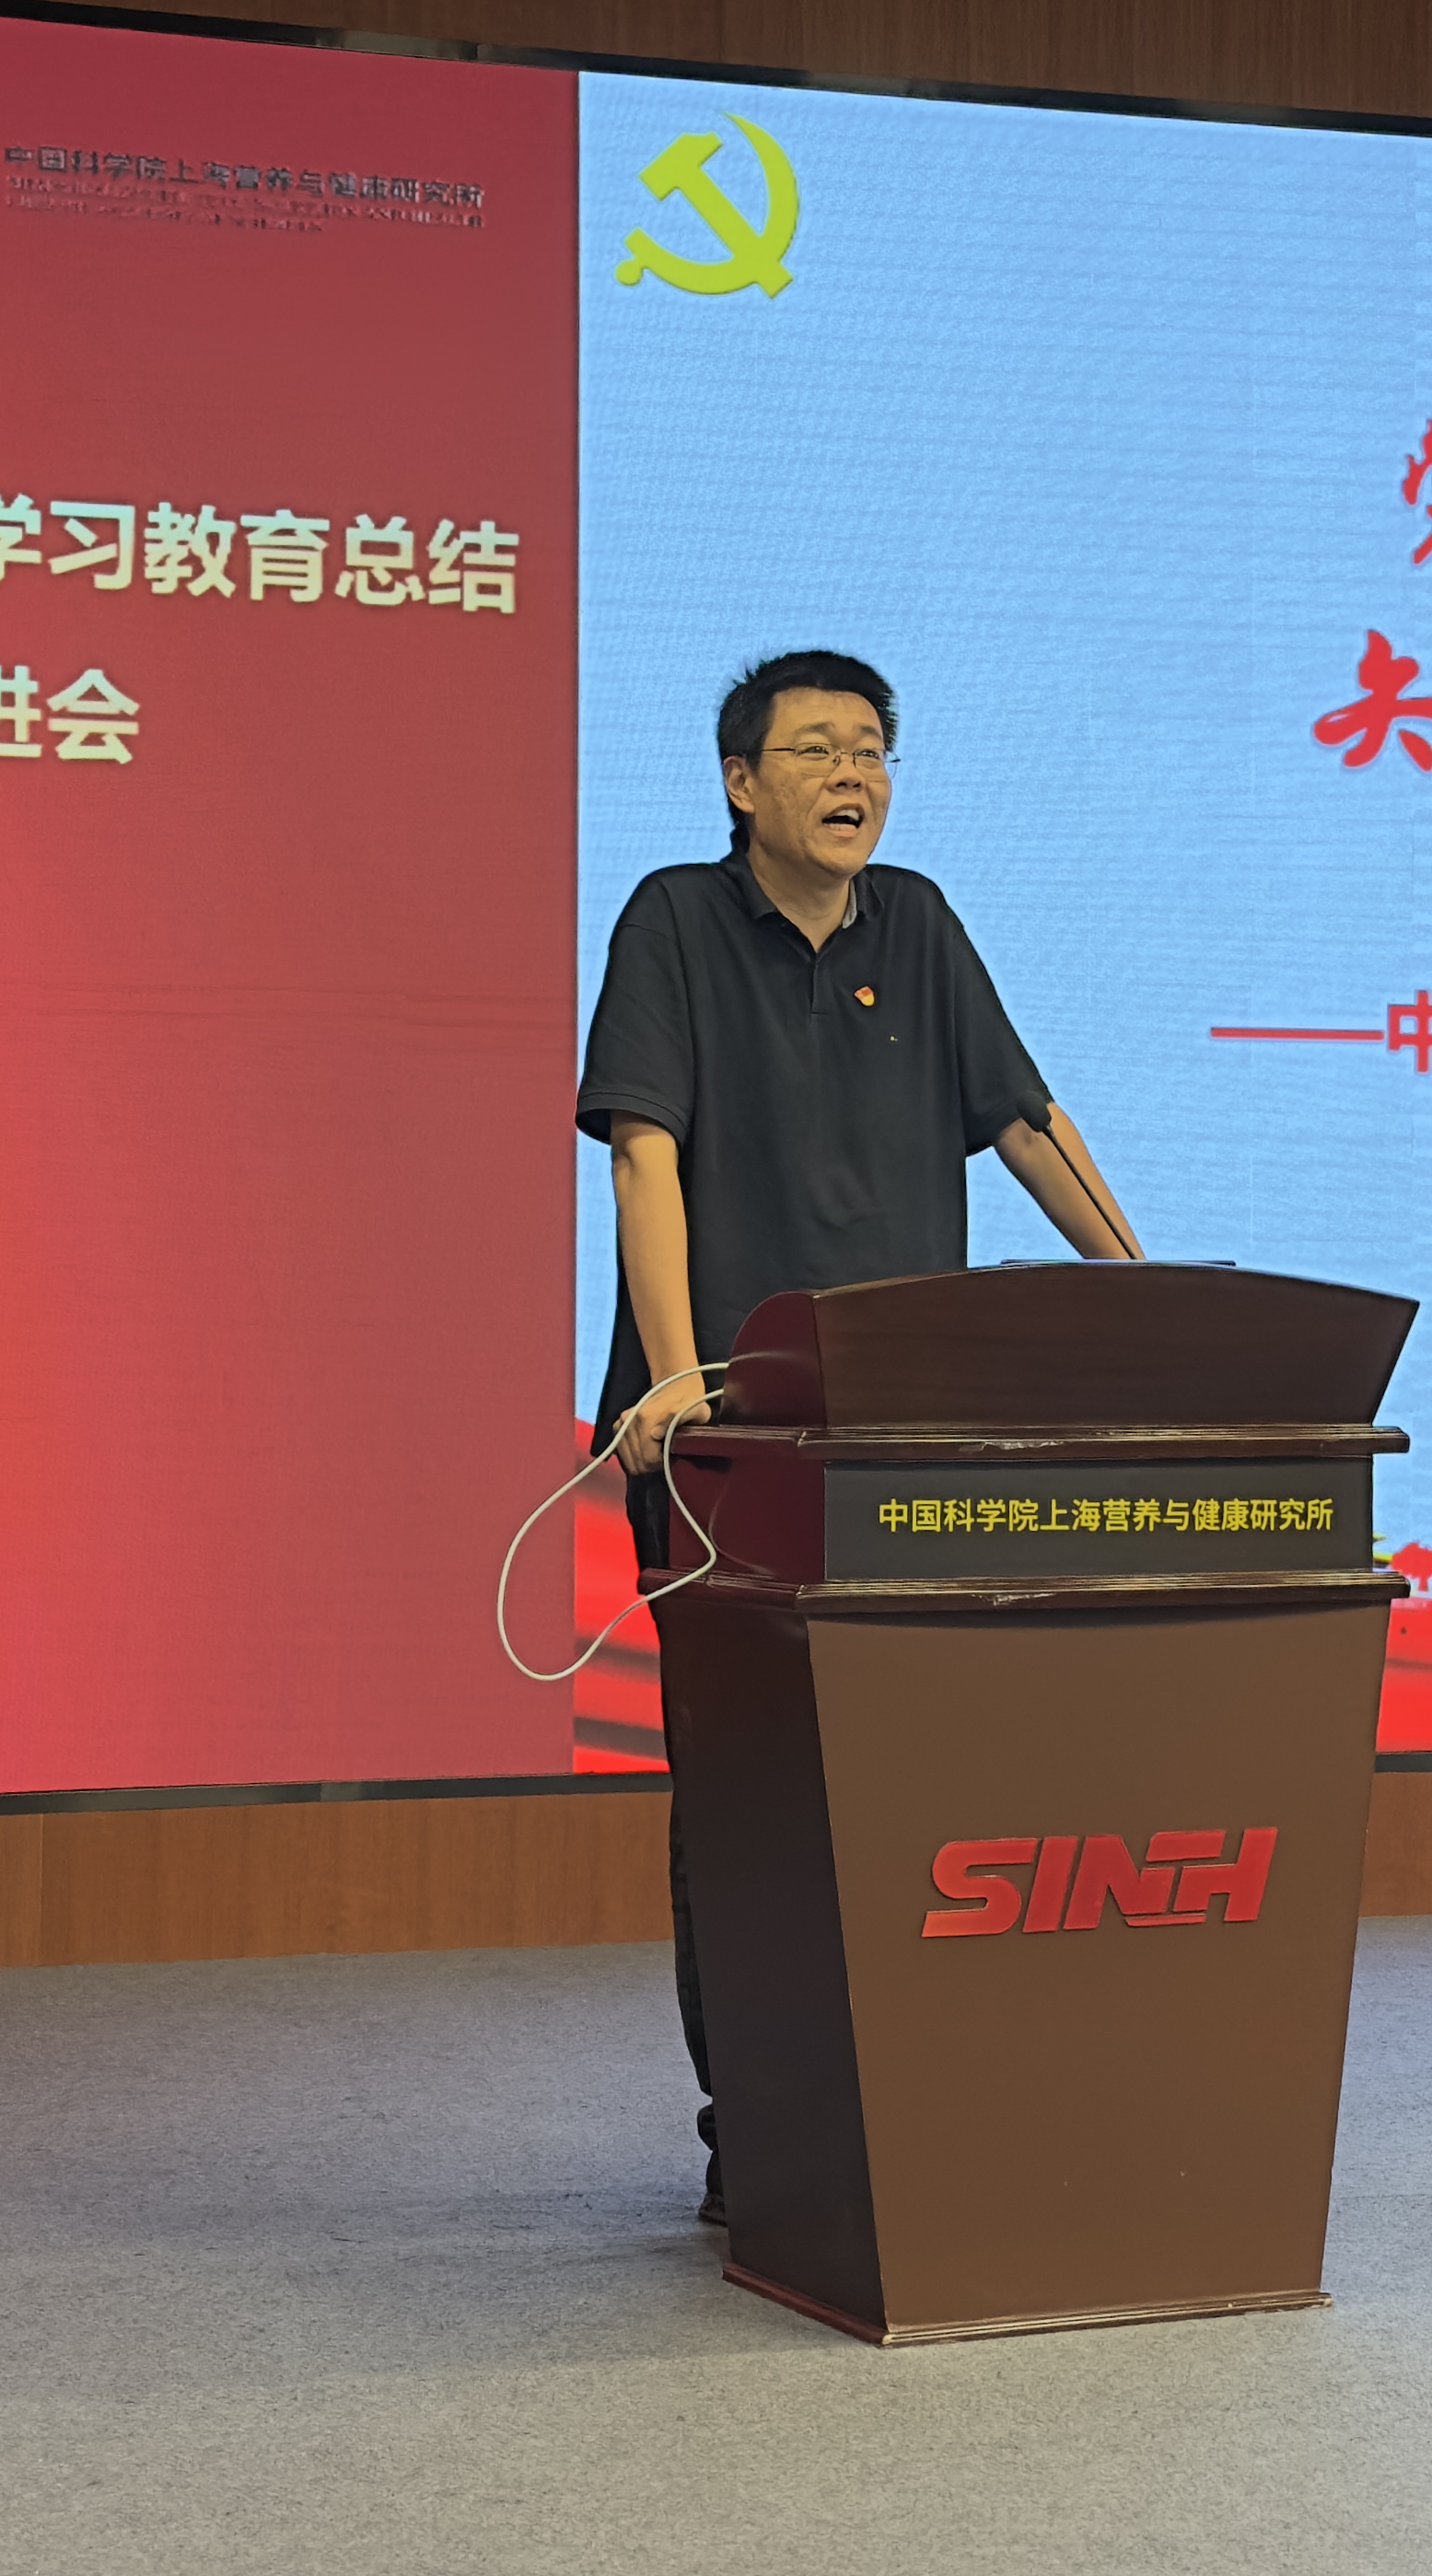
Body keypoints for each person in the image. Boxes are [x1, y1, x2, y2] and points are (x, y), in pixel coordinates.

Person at [572, 647, 1142, 2229]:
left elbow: (1023, 1120)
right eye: (816, 748)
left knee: (916, 1777)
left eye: (873, 749)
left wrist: (1143, 1291)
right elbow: (641, 1153)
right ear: (739, 782)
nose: (852, 775)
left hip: (903, 1435)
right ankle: (752, 2127)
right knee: (749, 1786)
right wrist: (675, 1384)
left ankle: (916, 2100)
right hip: (731, 1448)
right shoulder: (675, 921)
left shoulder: (920, 925)